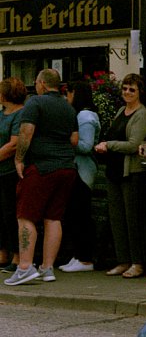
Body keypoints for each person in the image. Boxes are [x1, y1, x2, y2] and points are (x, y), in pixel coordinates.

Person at [5, 69, 78, 286]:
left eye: (36, 82)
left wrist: (19, 159)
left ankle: (25, 267)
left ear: (43, 84)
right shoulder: (68, 107)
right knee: (53, 218)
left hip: (41, 166)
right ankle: (47, 268)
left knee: (26, 216)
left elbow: (26, 132)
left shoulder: (35, 102)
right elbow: (74, 139)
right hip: (66, 167)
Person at [94, 73, 146, 277]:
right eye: (125, 88)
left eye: (132, 89)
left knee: (132, 219)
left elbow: (134, 144)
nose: (127, 92)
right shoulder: (121, 110)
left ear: (139, 92)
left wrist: (108, 145)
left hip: (131, 173)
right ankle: (123, 260)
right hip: (114, 171)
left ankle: (137, 262)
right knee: (117, 219)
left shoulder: (142, 114)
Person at [59, 80, 101, 273]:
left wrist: (66, 139)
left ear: (75, 93)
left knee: (81, 215)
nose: (66, 97)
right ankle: (78, 256)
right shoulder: (82, 114)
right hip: (78, 169)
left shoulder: (85, 116)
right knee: (75, 214)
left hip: (83, 171)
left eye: (68, 93)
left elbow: (86, 145)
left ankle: (85, 259)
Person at [0, 77, 26, 272]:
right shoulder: (2, 114)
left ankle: (17, 256)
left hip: (11, 172)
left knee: (11, 213)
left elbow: (14, 144)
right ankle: (2, 252)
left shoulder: (20, 114)